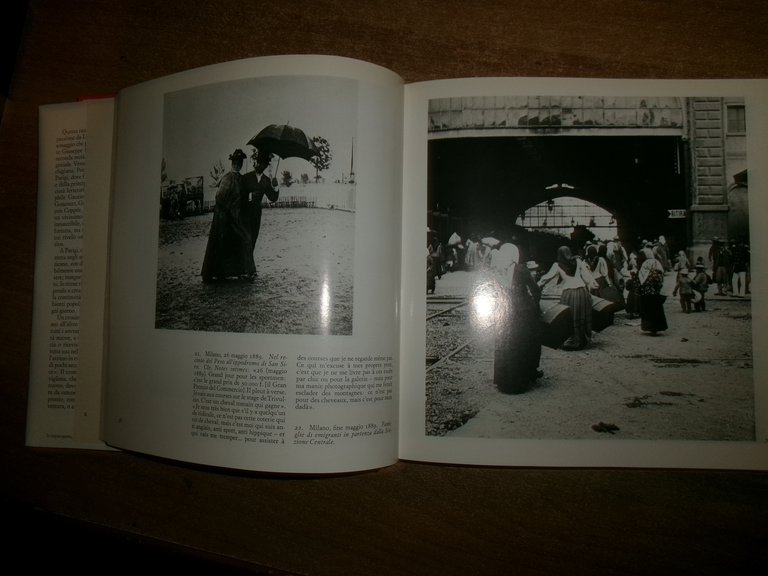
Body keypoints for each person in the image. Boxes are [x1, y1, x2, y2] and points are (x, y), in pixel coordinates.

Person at [491, 243, 542, 393]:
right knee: (527, 341)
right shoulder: (520, 269)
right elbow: (535, 290)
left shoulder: (497, 269)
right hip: (523, 312)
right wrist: (535, 305)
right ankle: (525, 376)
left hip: (504, 312)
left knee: (505, 343)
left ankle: (503, 380)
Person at [201, 149, 255, 282]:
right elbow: (219, 197)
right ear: (232, 163)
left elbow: (242, 197)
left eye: (240, 162)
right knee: (221, 242)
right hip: (224, 217)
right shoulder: (227, 178)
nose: (238, 164)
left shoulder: (241, 179)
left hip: (235, 216)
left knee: (242, 239)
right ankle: (215, 273)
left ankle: (242, 271)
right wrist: (228, 210)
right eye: (236, 162)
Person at [538, 245, 597, 350]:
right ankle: (582, 339)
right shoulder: (578, 261)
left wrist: (537, 284)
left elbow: (546, 278)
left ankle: (572, 340)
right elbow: (587, 277)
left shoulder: (557, 265)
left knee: (569, 316)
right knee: (580, 314)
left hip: (569, 293)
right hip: (582, 292)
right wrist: (593, 284)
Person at [241, 148, 280, 262]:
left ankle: (248, 264)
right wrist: (248, 196)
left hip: (256, 215)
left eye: (262, 163)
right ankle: (243, 264)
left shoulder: (266, 181)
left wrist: (275, 186)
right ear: (255, 163)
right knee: (244, 239)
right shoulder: (246, 178)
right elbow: (239, 195)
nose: (259, 165)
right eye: (258, 162)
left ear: (265, 165)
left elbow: (273, 198)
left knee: (253, 239)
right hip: (244, 214)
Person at [637, 247, 667, 333]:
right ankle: (657, 327)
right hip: (655, 290)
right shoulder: (657, 262)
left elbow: (641, 277)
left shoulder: (645, 263)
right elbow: (661, 275)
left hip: (647, 290)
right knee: (656, 308)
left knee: (647, 308)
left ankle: (649, 327)